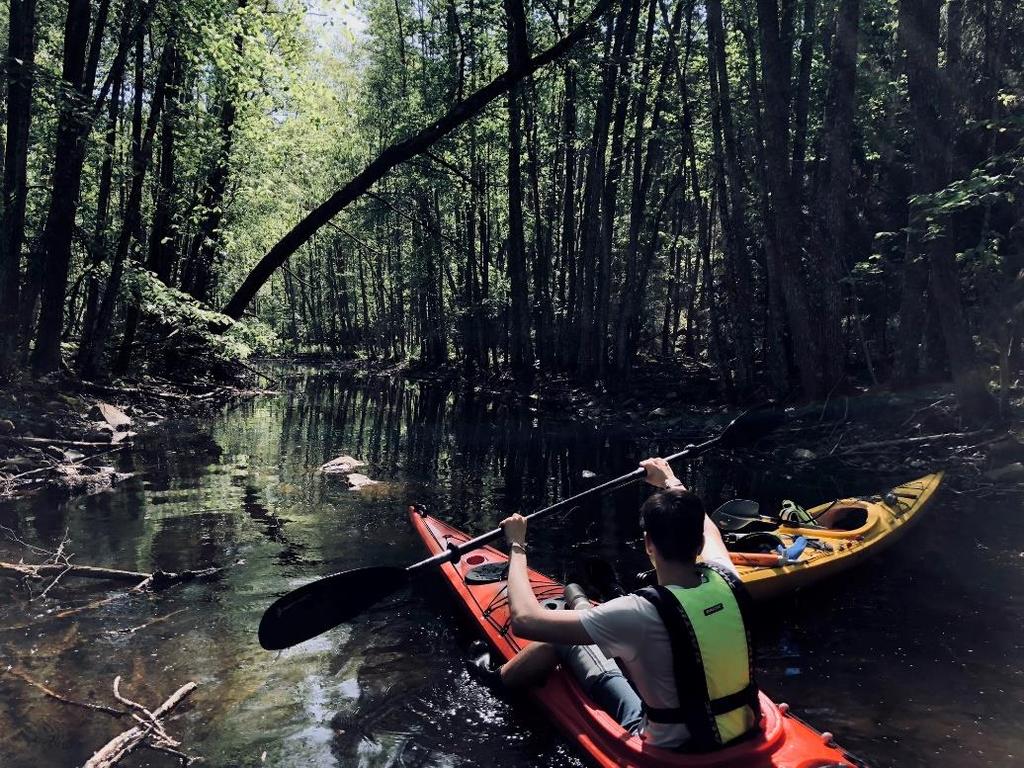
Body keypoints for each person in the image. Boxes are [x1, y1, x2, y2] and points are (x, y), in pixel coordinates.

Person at [482, 456, 760, 752]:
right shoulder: (727, 577)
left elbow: (525, 620)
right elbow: (709, 529)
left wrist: (516, 545)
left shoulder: (639, 612)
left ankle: (495, 681)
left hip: (671, 749)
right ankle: (582, 611)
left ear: (648, 544)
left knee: (562, 638)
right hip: (741, 729)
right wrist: (670, 480)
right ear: (700, 544)